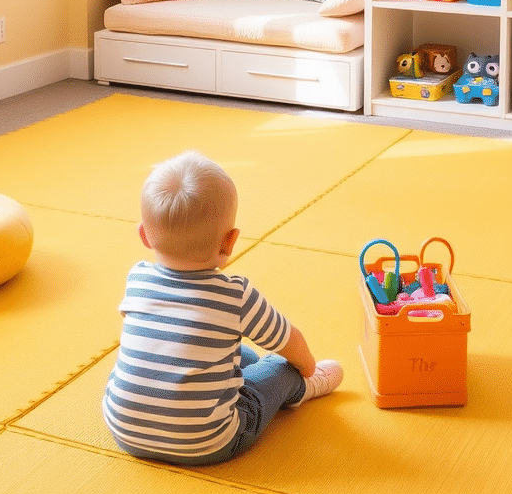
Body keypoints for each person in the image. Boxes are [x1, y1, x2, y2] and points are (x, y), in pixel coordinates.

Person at [102, 150, 343, 465]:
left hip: (126, 432)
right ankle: (302, 389)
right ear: (230, 241)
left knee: (235, 353)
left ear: (144, 236)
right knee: (278, 366)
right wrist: (307, 367)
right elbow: (289, 341)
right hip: (208, 441)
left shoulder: (137, 279)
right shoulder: (235, 296)